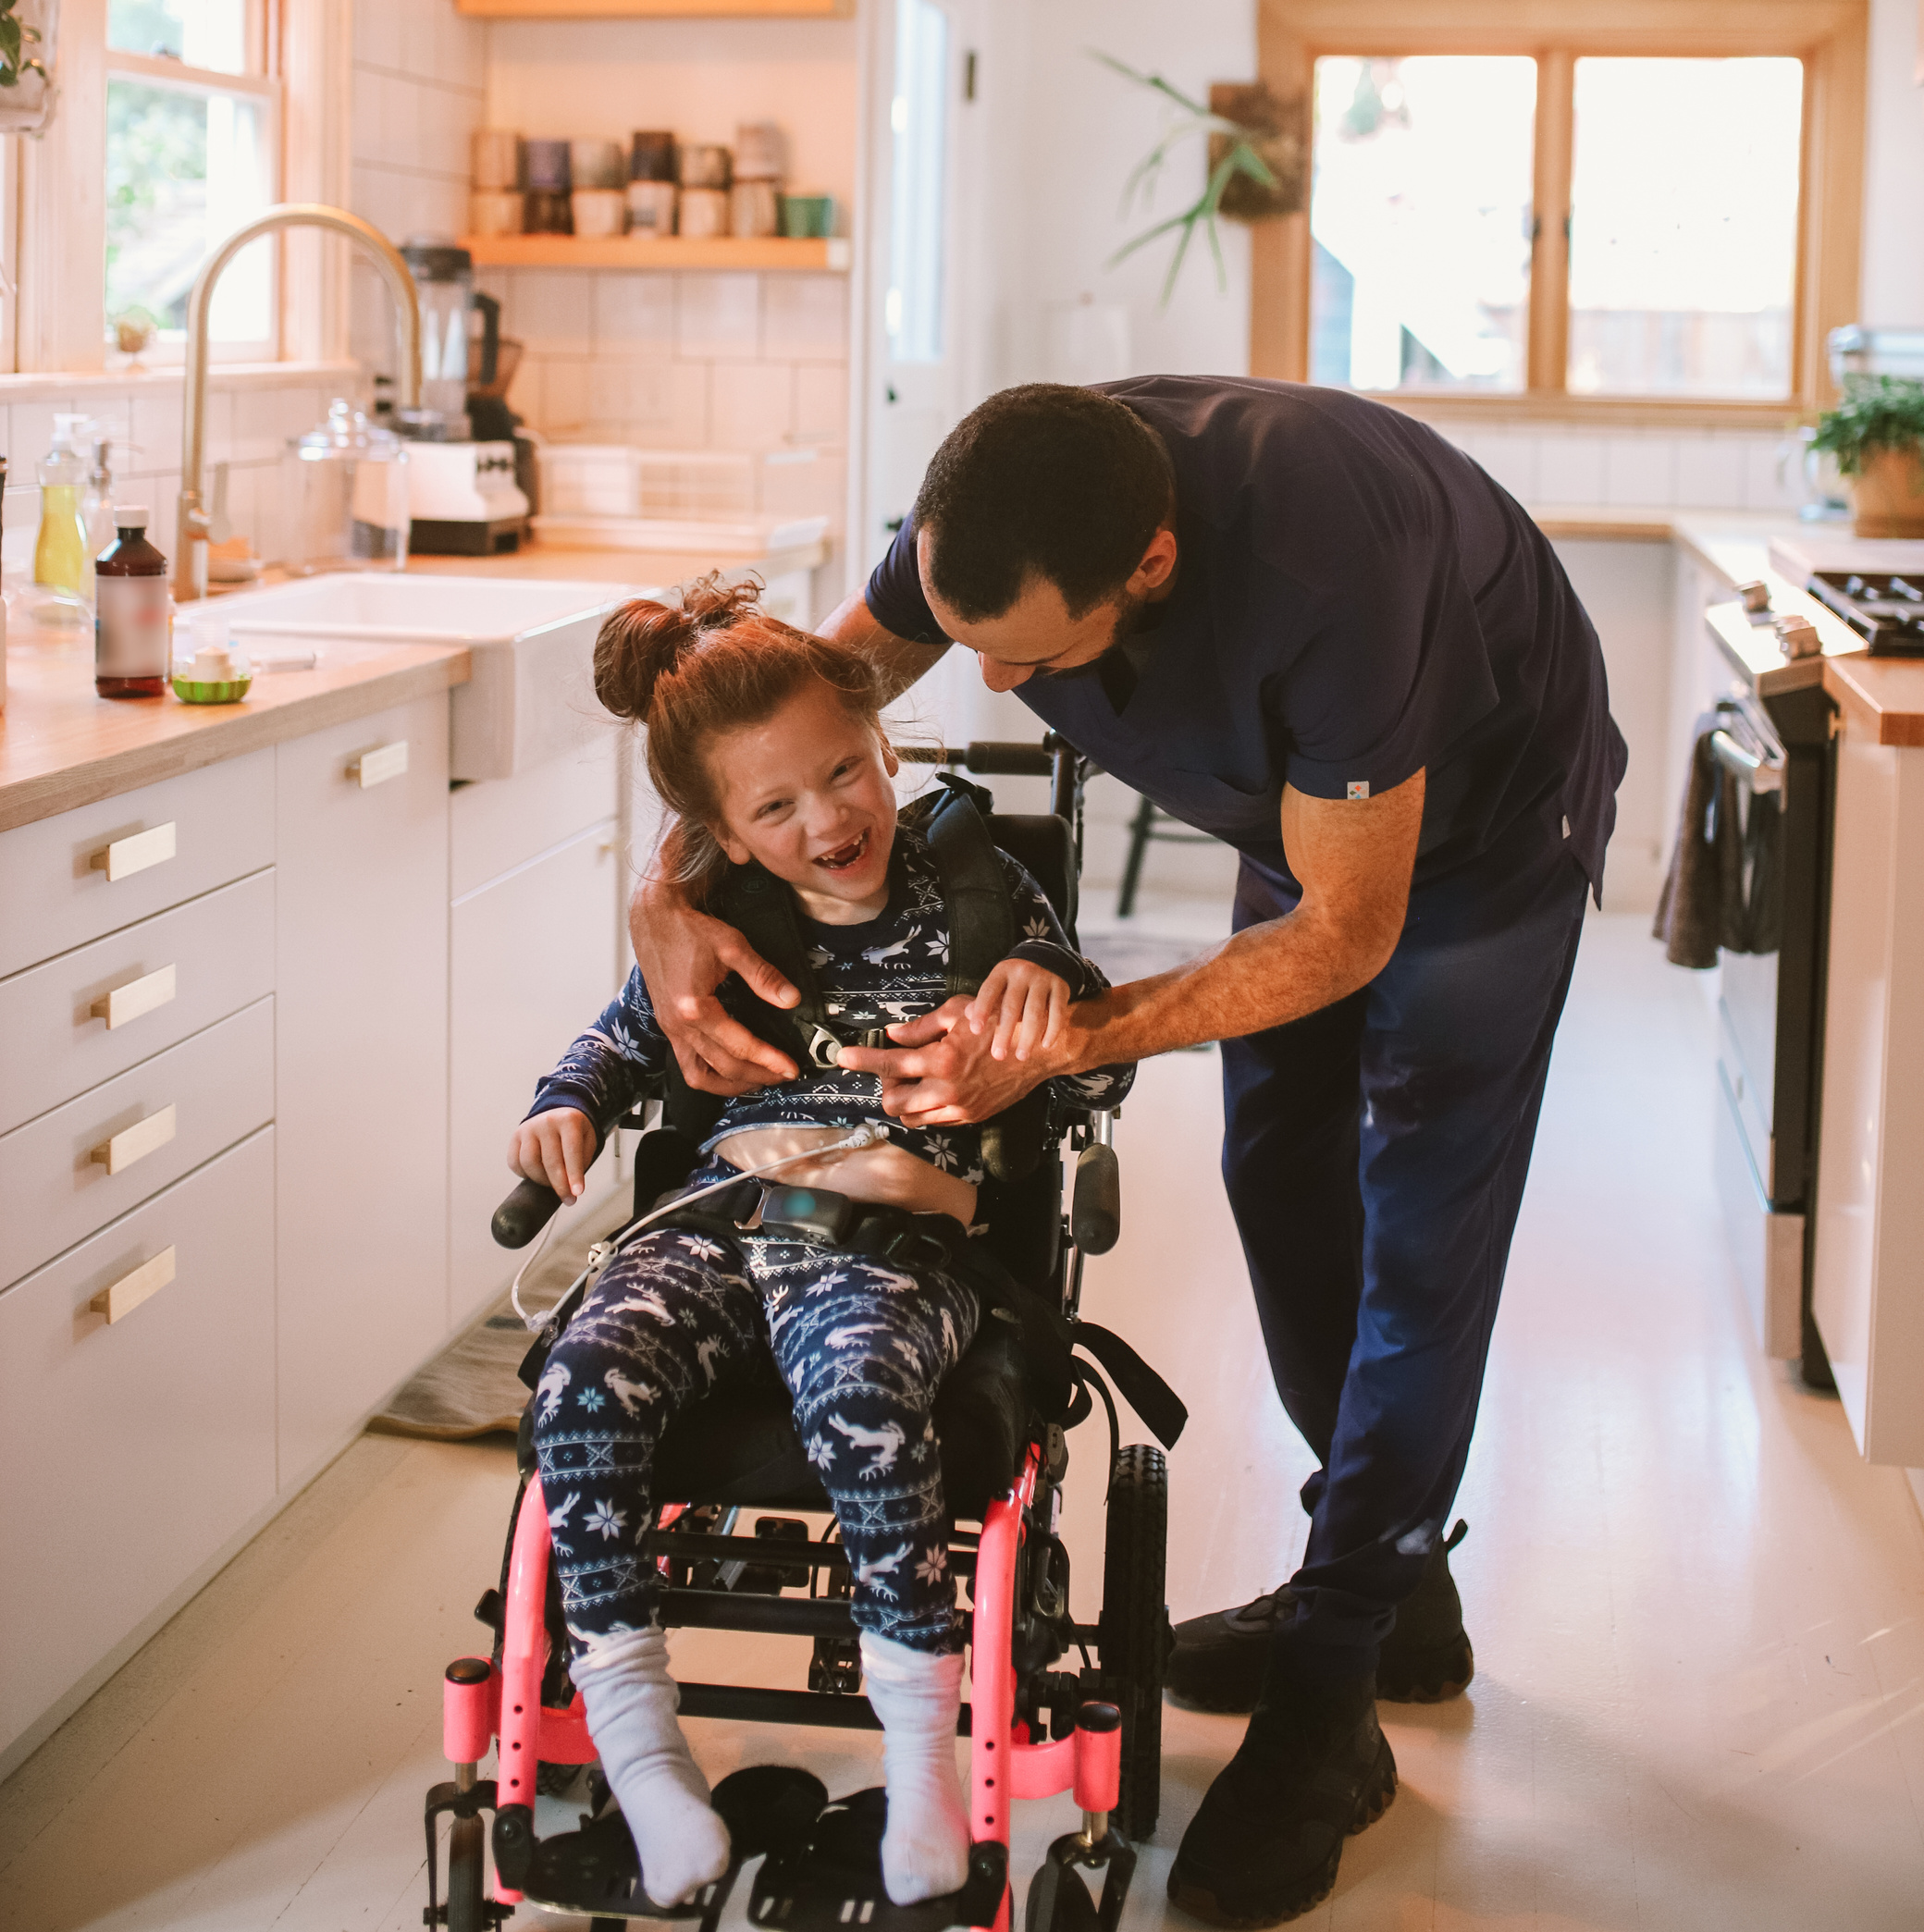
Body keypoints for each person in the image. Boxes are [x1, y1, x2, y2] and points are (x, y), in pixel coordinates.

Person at [629, 380, 1628, 1925]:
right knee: (1275, 1172)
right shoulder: (1001, 505)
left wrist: (1069, 1033)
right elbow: (782, 712)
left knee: (1417, 1244)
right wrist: (669, 888)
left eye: (1028, 659)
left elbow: (1347, 931)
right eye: (966, 635)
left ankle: (1332, 1688)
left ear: (1151, 566)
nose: (992, 676)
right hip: (1309, 822)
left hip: (1485, 838)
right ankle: (1397, 1585)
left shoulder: (1327, 579)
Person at [511, 577, 1133, 1911]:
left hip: (890, 1243)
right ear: (719, 832)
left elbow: (1096, 1069)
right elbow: (621, 1038)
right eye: (776, 807)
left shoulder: (983, 894)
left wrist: (1054, 1006)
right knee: (581, 1381)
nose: (828, 820)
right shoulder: (724, 921)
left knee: (861, 1394)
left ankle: (919, 1767)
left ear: (881, 738)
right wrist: (565, 1104)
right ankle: (642, 1753)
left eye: (844, 772)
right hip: (721, 1222)